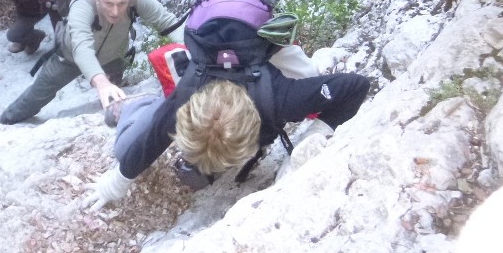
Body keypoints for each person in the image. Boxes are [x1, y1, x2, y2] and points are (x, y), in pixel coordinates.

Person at [84, 61, 370, 210]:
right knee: (128, 148)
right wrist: (117, 181)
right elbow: (150, 142)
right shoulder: (184, 99)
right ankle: (132, 105)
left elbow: (356, 86)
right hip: (205, 64)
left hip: (263, 56)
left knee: (308, 71)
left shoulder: (285, 99)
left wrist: (318, 130)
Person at [0, 0, 184, 124]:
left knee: (115, 93)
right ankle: (3, 123)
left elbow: (167, 22)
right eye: (109, 3)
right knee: (36, 95)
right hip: (70, 59)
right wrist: (101, 83)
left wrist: (193, 45)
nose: (116, 11)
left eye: (122, 3)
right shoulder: (83, 5)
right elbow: (81, 48)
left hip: (113, 57)